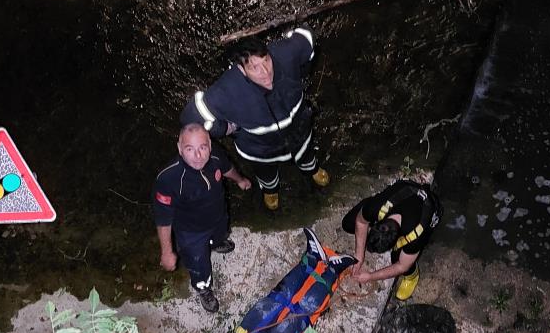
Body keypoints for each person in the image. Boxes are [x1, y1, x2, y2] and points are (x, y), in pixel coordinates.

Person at [180, 28, 329, 211]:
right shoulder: (228, 90)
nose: (265, 72)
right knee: (266, 173)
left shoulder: (286, 54)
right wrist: (225, 128)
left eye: (266, 61)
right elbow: (191, 116)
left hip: (299, 131)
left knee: (306, 154)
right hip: (261, 150)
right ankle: (270, 190)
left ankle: (312, 169)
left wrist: (303, 71)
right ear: (242, 70)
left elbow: (307, 37)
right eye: (254, 67)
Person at [154, 123, 252, 313]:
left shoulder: (215, 155)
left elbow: (226, 168)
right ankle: (203, 288)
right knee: (198, 264)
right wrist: (167, 251)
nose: (198, 156)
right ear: (180, 149)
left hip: (217, 216)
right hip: (192, 232)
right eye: (190, 149)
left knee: (221, 233)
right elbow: (163, 217)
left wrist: (239, 180)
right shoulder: (169, 179)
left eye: (202, 147)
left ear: (210, 144)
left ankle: (216, 243)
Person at [341, 180, 442, 301]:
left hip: (429, 209)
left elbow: (401, 266)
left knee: (397, 259)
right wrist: (359, 255)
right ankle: (368, 208)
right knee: (348, 224)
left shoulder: (416, 234)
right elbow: (360, 222)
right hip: (409, 190)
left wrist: (370, 276)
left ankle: (412, 277)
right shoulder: (377, 207)